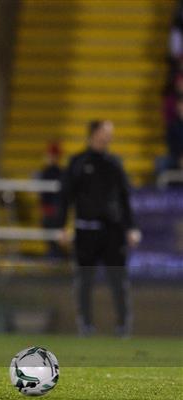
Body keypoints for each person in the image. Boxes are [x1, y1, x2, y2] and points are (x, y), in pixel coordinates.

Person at [57, 120, 141, 337]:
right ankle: (86, 324)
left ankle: (123, 324)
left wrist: (131, 227)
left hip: (112, 231)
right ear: (94, 133)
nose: (109, 136)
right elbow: (66, 197)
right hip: (85, 231)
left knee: (118, 280)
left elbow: (124, 198)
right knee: (84, 281)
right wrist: (62, 226)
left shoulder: (114, 163)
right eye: (106, 131)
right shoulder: (77, 162)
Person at [38, 142, 64, 258]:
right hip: (47, 208)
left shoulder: (58, 172)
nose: (49, 157)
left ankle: (56, 254)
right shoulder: (46, 171)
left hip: (54, 209)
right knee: (48, 232)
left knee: (54, 233)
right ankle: (53, 253)